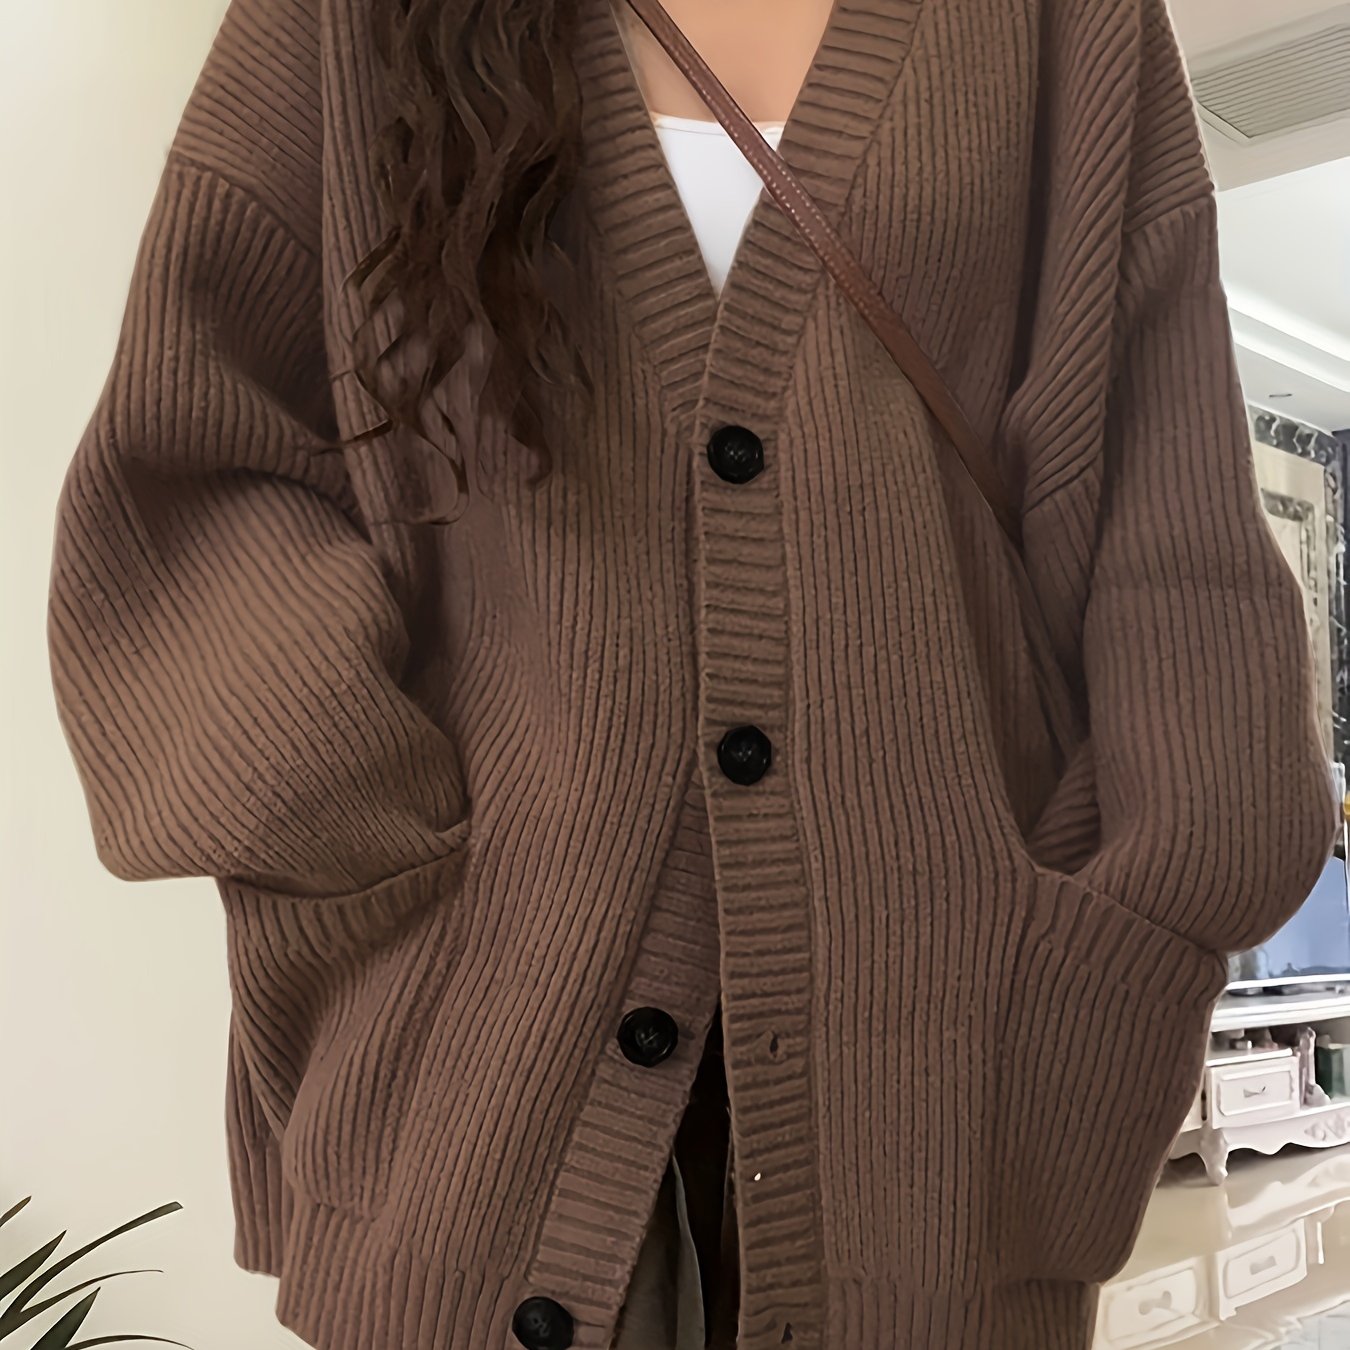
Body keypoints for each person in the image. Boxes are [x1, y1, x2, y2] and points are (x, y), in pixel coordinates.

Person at [45, 0, 1339, 1346]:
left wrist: (1089, 967)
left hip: (936, 1083)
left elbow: (1172, 552)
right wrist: (375, 857)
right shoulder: (340, 23)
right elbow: (192, 484)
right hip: (477, 1070)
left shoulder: (1057, 26)